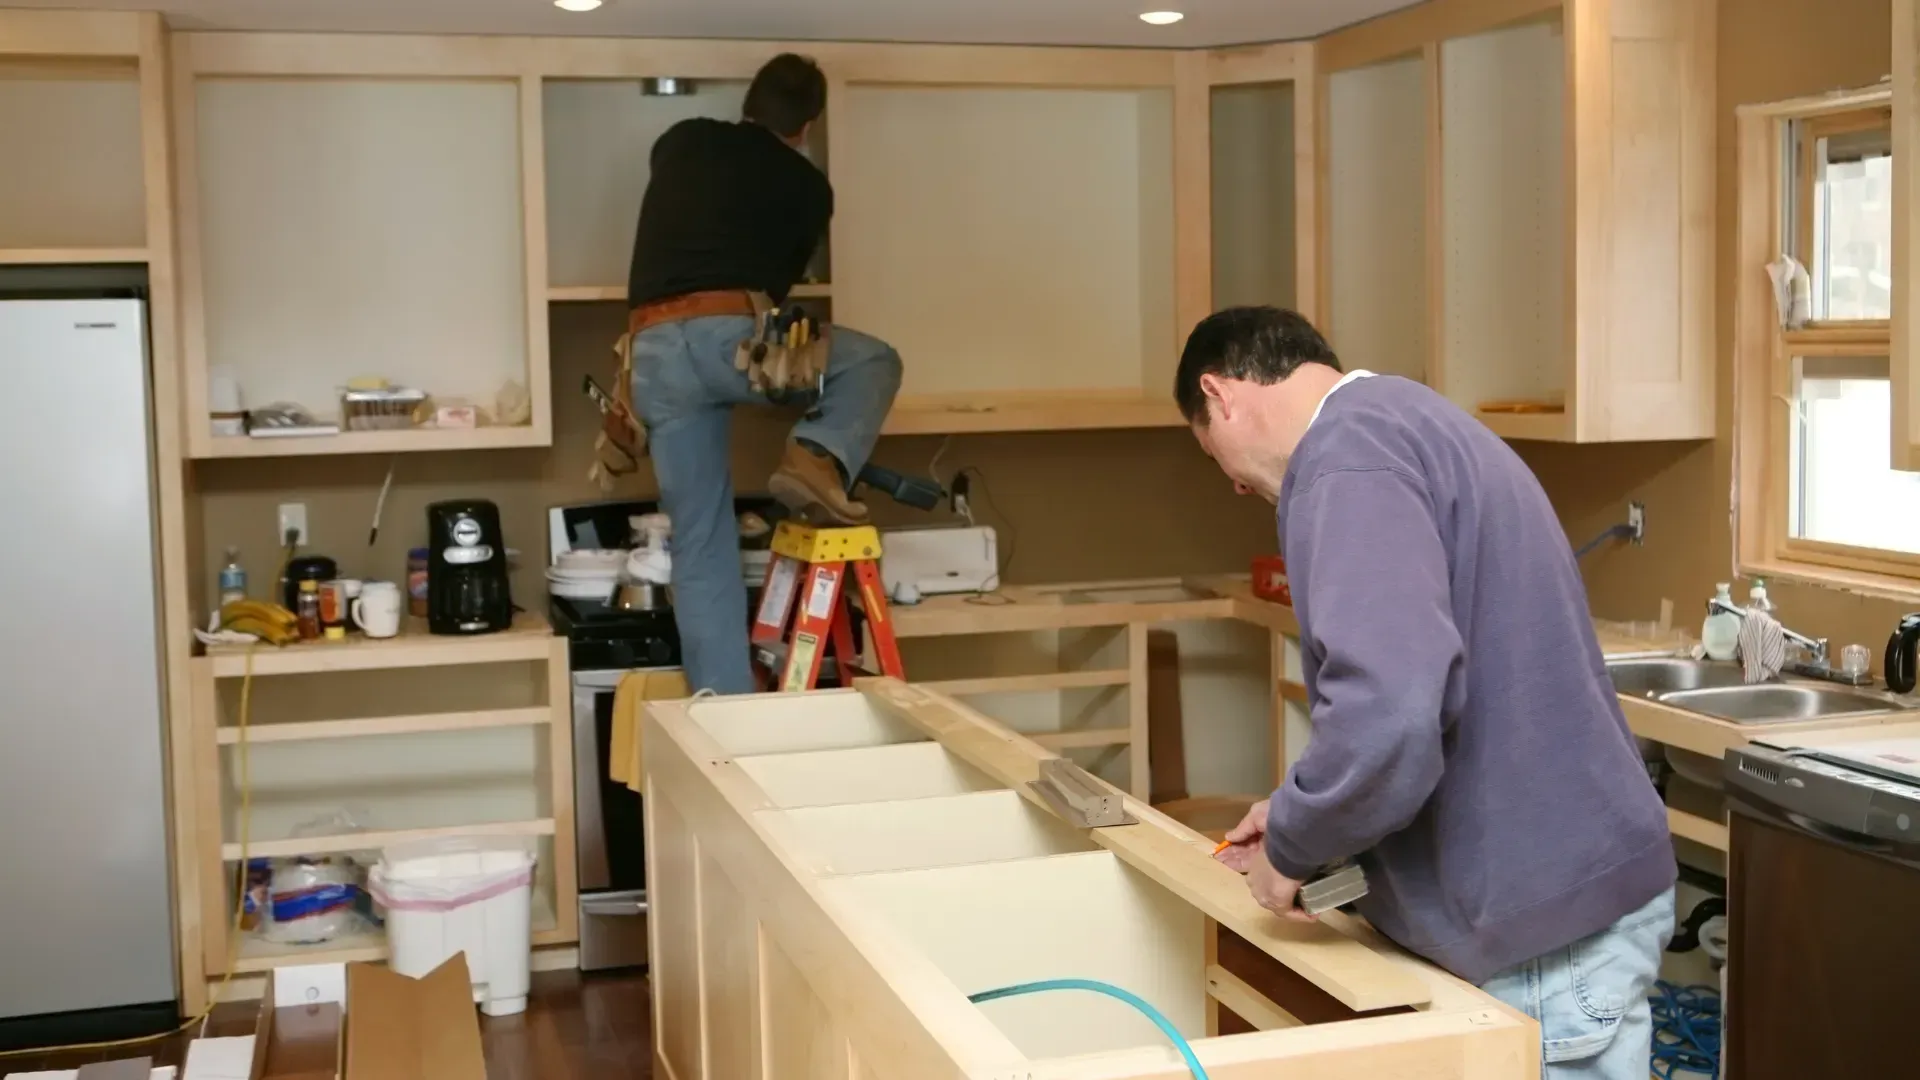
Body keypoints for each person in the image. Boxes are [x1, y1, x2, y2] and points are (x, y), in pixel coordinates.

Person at [1178, 307, 1676, 1079]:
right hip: (1560, 904)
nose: (1238, 485)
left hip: (1538, 936)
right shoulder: (1408, 420)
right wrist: (1303, 807)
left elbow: (1391, 712)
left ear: (1221, 393)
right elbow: (1432, 695)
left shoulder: (1346, 460)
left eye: (1216, 456)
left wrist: (1293, 848)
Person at [624, 53, 903, 695]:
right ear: (807, 126)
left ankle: (724, 706)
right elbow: (773, 300)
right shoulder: (809, 189)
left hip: (651, 356)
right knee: (874, 360)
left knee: (699, 544)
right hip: (727, 339)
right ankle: (816, 456)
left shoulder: (683, 139)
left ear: (747, 104)